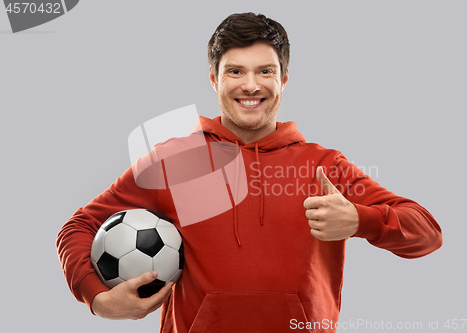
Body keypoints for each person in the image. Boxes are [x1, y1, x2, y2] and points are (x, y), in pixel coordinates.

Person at [56, 12, 442, 333]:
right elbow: (79, 226)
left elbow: (427, 231)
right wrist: (97, 298)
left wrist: (361, 219)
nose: (251, 85)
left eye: (265, 71)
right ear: (214, 78)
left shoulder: (324, 166)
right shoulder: (176, 161)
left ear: (284, 79)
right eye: (236, 71)